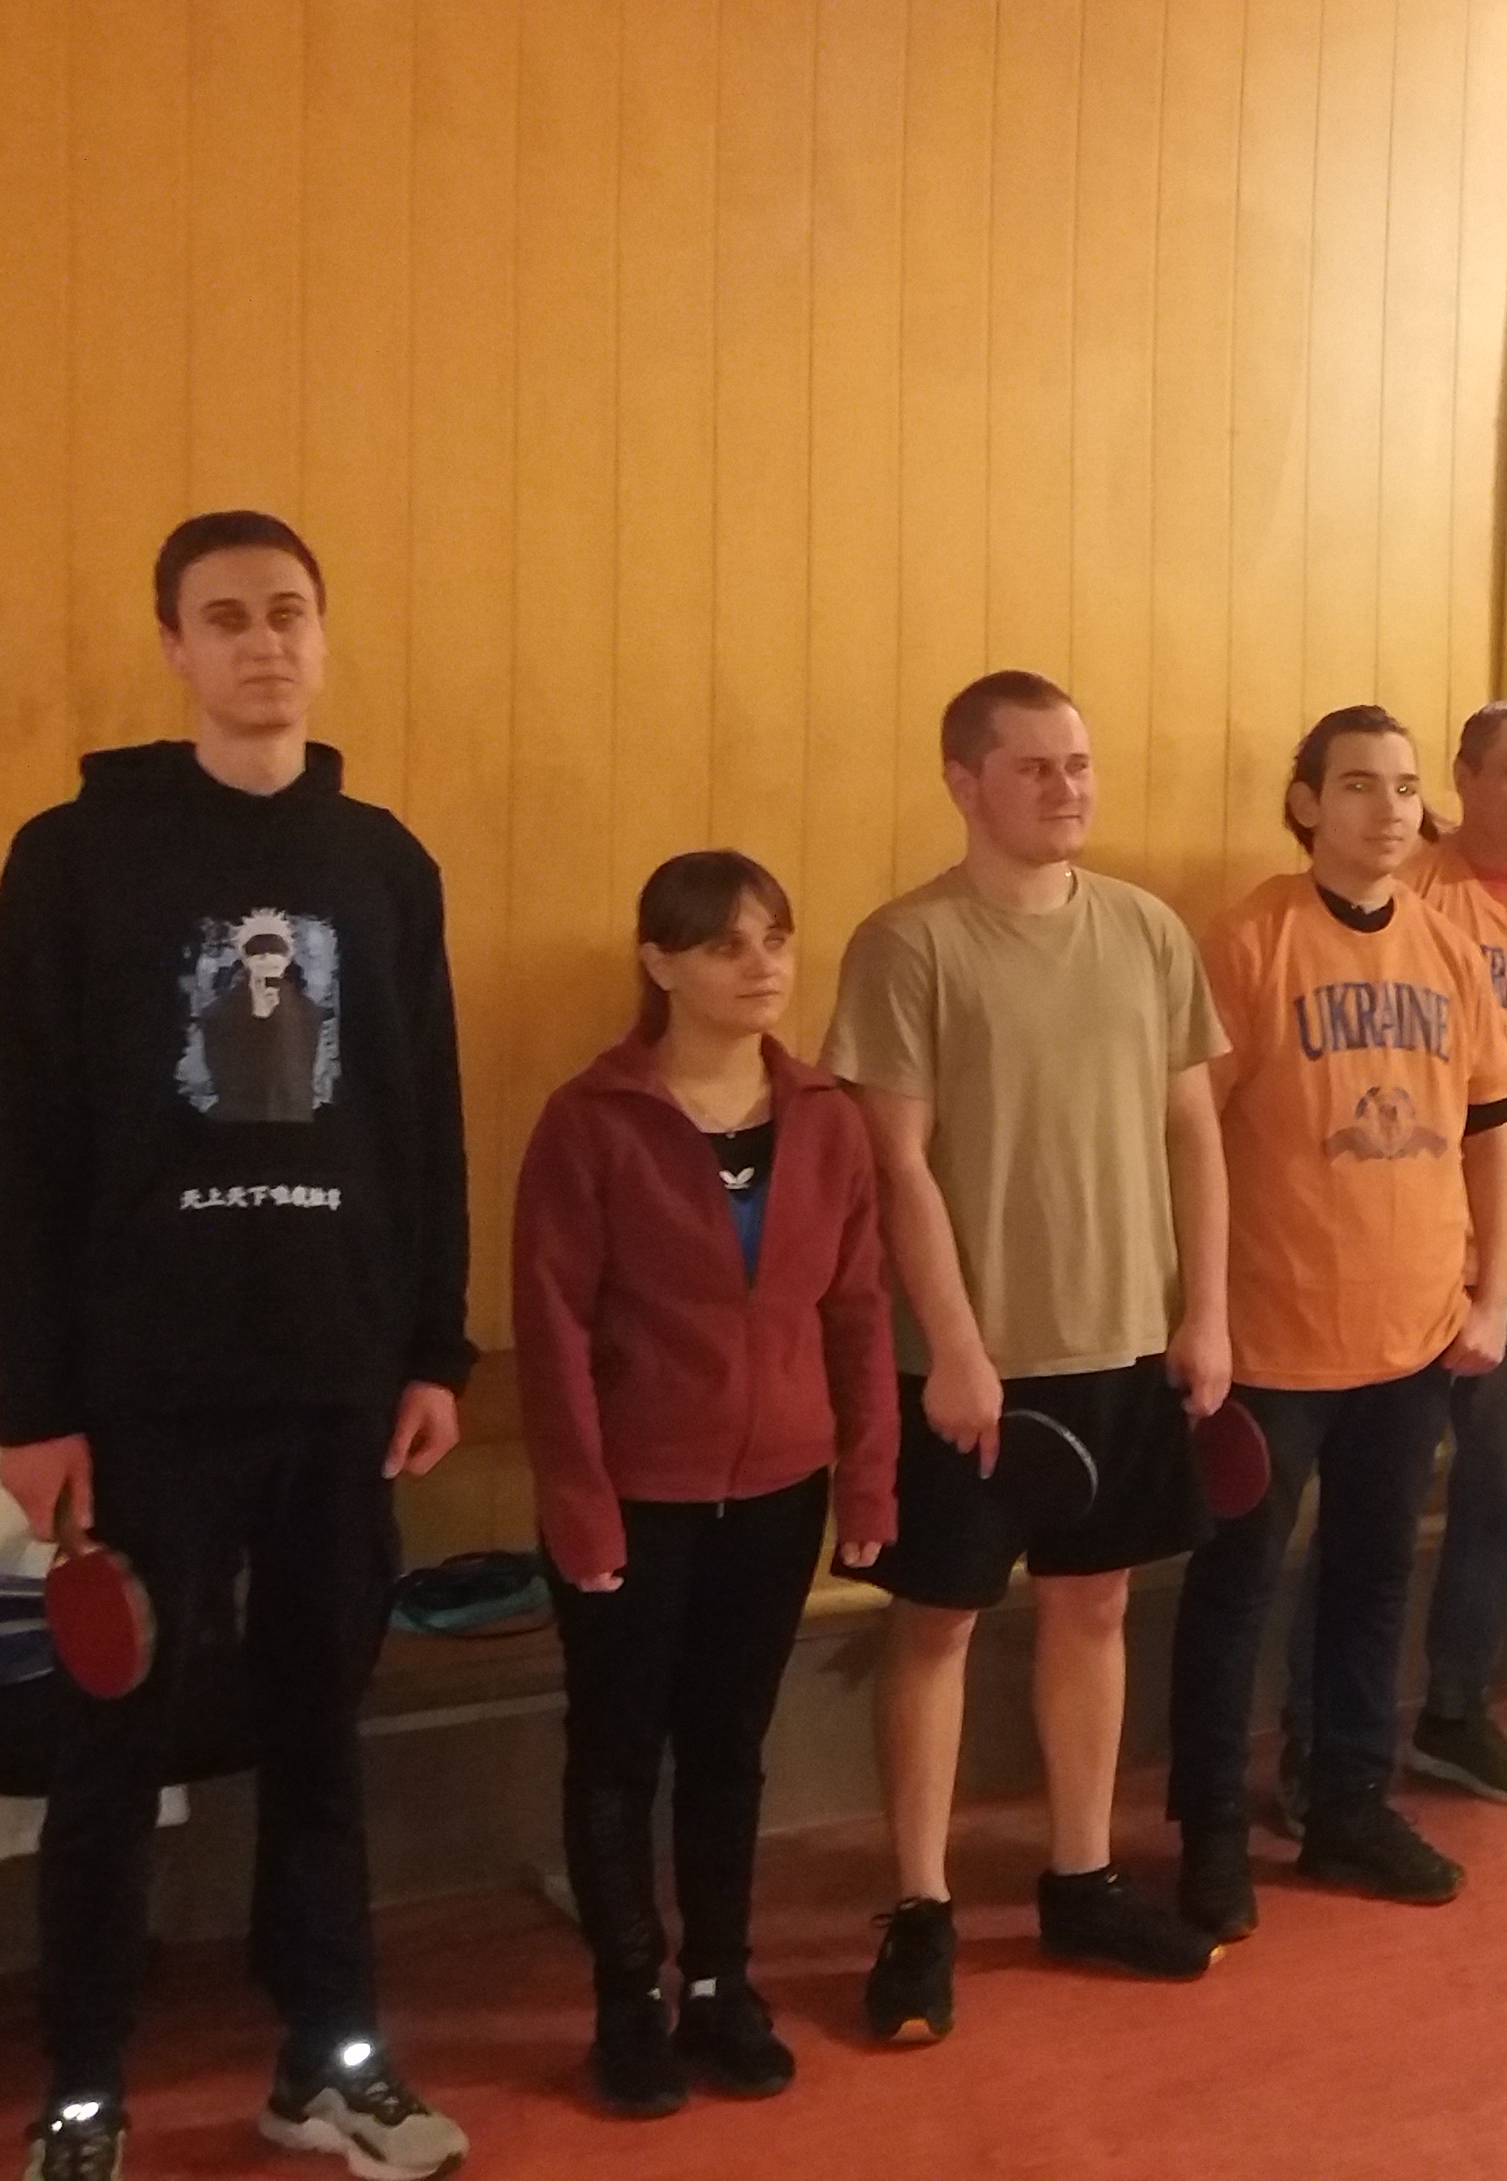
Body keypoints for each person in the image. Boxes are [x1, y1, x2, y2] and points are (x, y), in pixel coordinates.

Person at [0, 512, 475, 2181]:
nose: (264, 642)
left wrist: (433, 1349)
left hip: (339, 1383)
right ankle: (82, 2092)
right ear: (175, 646)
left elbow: (423, 1124)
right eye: (227, 616)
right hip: (144, 1393)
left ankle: (328, 2060)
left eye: (288, 612)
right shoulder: (74, 858)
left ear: (322, 637)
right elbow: (25, 1141)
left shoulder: (382, 864)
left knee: (320, 1734)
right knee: (110, 1751)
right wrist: (35, 1400)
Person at [829, 670, 1231, 2034]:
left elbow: (1194, 1130)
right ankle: (920, 1907)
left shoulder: (1148, 931)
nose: (1067, 787)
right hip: (971, 1364)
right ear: (965, 782)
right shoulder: (908, 944)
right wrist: (953, 1346)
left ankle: (1082, 1876)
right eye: (1035, 766)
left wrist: (1205, 1310)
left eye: (1079, 763)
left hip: (1124, 1340)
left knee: (1095, 1604)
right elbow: (895, 1163)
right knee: (938, 1620)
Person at [513, 852, 898, 2117]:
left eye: (776, 939)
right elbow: (554, 1328)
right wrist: (578, 1505)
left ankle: (723, 1984)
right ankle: (628, 1997)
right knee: (619, 1749)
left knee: (730, 1747)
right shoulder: (592, 1120)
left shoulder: (826, 1116)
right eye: (728, 944)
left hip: (779, 1487)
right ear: (660, 962)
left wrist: (869, 1481)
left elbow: (859, 1312)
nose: (762, 966)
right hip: (635, 1493)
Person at [1170, 707, 1507, 1938]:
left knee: (1375, 1579)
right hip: (1271, 1338)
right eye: (1360, 784)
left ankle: (1350, 1806)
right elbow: (1190, 1132)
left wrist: (1491, 1292)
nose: (1388, 809)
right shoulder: (1248, 941)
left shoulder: (1448, 949)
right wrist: (1201, 1312)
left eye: (1406, 787)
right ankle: (1211, 1831)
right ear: (1308, 802)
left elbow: (1491, 1134)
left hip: (1413, 1335)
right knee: (1236, 1589)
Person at [1269, 700, 1507, 1815]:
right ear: (1462, 779)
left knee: (1504, 1498)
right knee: (1364, 1514)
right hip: (1392, 1250)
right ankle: (1316, 1736)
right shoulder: (1410, 892)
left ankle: (1457, 1711)